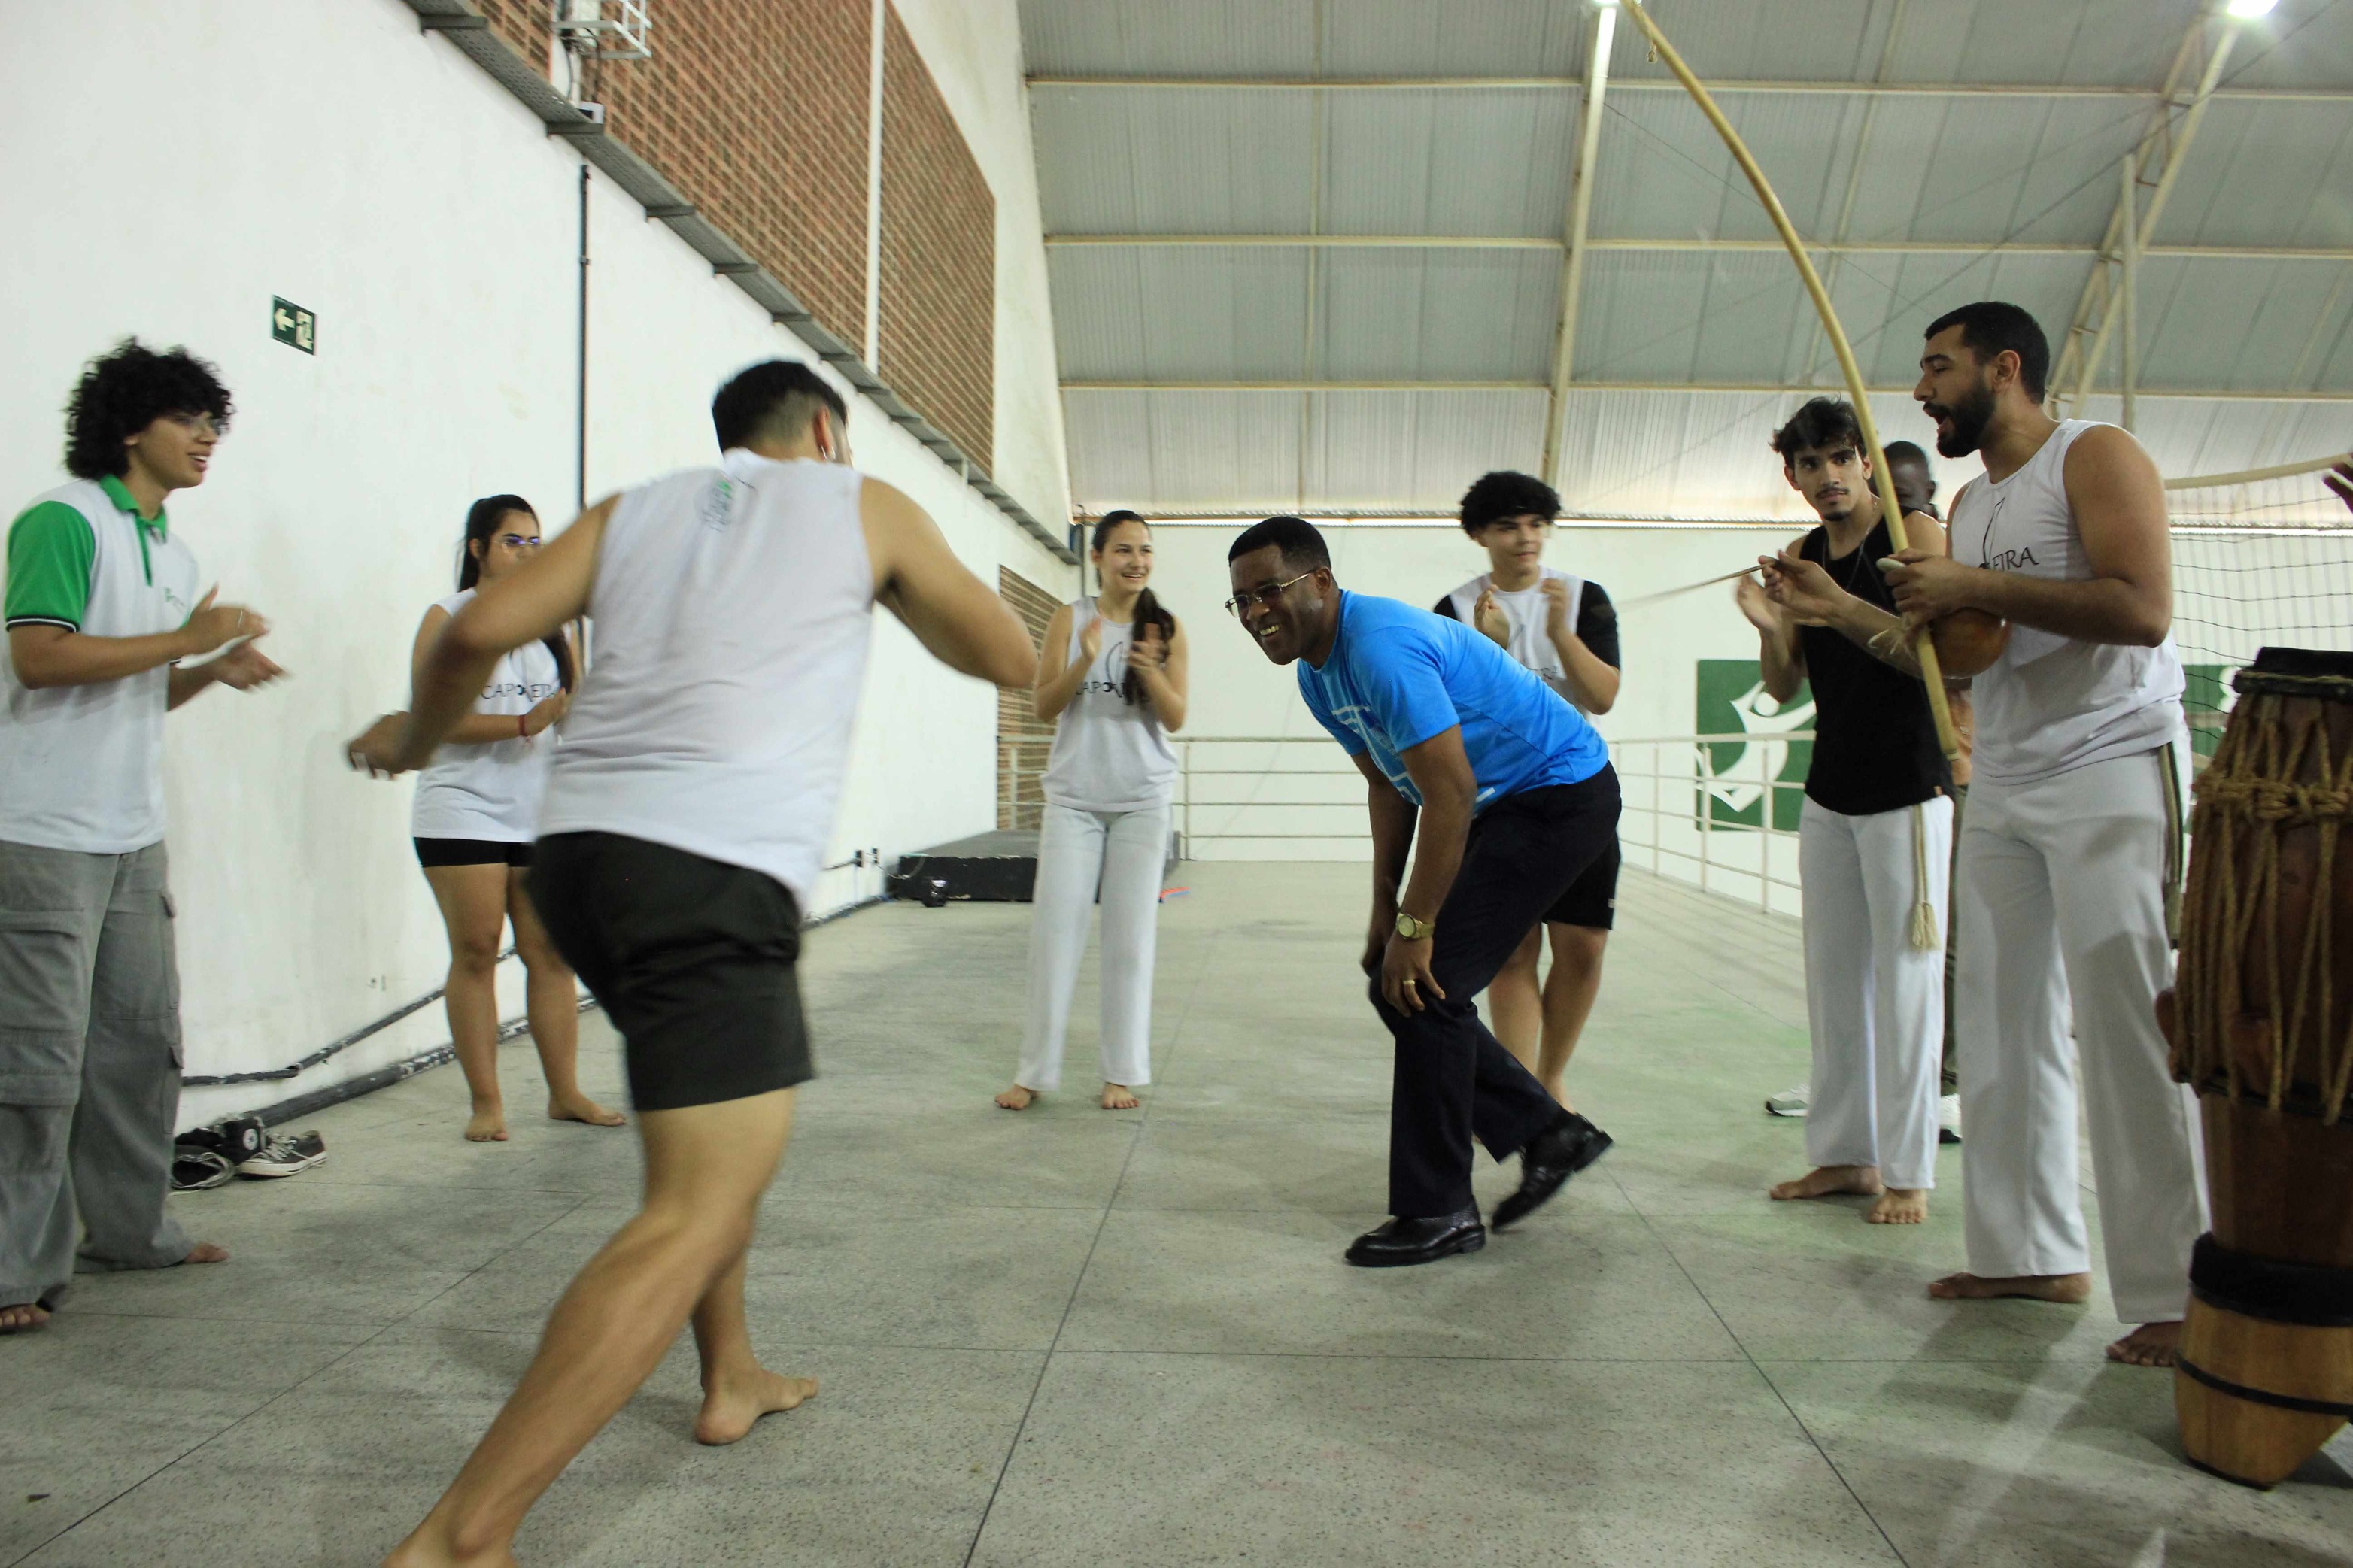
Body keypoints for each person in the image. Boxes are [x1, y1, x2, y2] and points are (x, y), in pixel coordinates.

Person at [351, 359, 1036, 1566]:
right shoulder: (857, 503)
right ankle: (464, 1536)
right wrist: (885, 577)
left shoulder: (638, 507)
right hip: (707, 873)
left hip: (578, 857)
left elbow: (477, 628)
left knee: (717, 1132)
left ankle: (731, 1372)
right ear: (826, 430)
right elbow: (1007, 656)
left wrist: (414, 739)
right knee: (691, 1205)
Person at [1886, 300, 2204, 1367]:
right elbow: (1981, 648)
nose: (1922, 389)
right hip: (2009, 776)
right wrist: (1887, 617)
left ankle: (2175, 1286)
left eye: (1938, 366)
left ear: (2004, 366)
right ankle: (2028, 1250)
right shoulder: (1971, 502)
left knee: (2129, 1015)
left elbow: (2142, 607)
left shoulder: (2096, 454)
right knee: (2000, 1011)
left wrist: (1969, 585)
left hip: (2114, 761)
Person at [1229, 517, 1617, 1268]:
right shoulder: (1317, 672)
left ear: (1320, 582)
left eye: (1267, 592)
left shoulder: (1377, 646)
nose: (1254, 614)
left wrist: (1417, 926)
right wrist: (1385, 910)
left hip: (1556, 791)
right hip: (1499, 803)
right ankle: (1548, 1133)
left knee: (1425, 987)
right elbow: (1388, 783)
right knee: (1397, 985)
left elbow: (1448, 793)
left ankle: (1439, 1209)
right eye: (1239, 602)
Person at [0, 341, 284, 1336]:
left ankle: (129, 1230)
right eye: (188, 420)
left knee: (135, 1045)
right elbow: (40, 658)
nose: (209, 438)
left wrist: (212, 669)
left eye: (216, 424)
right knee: (34, 1059)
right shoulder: (62, 521)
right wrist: (189, 642)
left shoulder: (176, 552)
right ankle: (12, 1272)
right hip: (39, 832)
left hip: (130, 835)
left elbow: (141, 684)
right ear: (130, 427)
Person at [1735, 399, 1954, 1227]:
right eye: (1807, 464)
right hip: (1829, 790)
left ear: (1863, 460)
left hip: (1906, 787)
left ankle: (1908, 1173)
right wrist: (1771, 623)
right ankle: (1842, 1156)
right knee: (1833, 984)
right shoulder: (1798, 556)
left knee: (1906, 986)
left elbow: (1933, 660)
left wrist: (1833, 605)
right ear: (1789, 476)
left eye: (1836, 458)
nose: (1825, 477)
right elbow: (1785, 684)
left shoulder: (1913, 538)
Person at [398, 496, 622, 1142]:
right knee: (475, 950)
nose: (527, 552)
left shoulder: (553, 625)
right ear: (478, 548)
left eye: (534, 542)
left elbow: (573, 714)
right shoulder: (449, 618)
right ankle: (486, 1103)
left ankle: (565, 1093)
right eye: (512, 541)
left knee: (550, 952)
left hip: (538, 811)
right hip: (461, 807)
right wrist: (524, 722)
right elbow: (429, 719)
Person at [1434, 471, 1620, 1115]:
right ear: (1480, 534)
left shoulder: (1583, 598)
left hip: (1578, 793)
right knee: (1513, 949)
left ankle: (1552, 1073)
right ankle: (1524, 1094)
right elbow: (1454, 720)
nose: (1526, 538)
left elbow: (1603, 696)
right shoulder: (1453, 612)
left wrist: (1563, 635)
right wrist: (1491, 651)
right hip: (1502, 799)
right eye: (1509, 525)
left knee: (1584, 945)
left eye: (1537, 524)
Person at [996, 510, 1187, 1113]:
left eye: (1146, 551)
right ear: (1098, 556)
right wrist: (1083, 660)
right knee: (1054, 936)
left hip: (1141, 801)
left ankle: (1121, 1072)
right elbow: (1042, 707)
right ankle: (1033, 1072)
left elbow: (1177, 716)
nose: (1138, 561)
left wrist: (1149, 671)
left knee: (1130, 941)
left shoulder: (1167, 627)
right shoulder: (1068, 618)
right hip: (1074, 800)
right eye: (1125, 550)